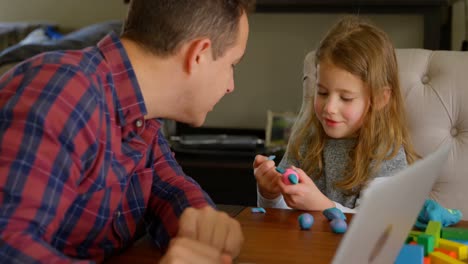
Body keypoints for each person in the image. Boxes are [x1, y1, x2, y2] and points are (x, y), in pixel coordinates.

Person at [0, 0, 255, 263]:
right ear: (199, 54)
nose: (230, 86)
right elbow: (7, 245)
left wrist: (208, 227)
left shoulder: (140, 114)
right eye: (233, 64)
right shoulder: (61, 92)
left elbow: (172, 189)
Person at [254, 16, 419, 213]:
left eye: (346, 98)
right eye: (322, 92)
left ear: (380, 99)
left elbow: (372, 223)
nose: (329, 107)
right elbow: (280, 216)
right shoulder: (305, 137)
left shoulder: (385, 151)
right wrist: (270, 194)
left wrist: (321, 206)